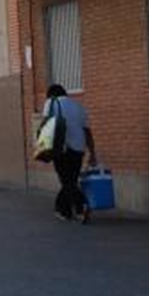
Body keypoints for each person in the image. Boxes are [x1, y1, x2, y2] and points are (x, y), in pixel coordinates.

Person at [44, 84, 96, 223]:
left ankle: (82, 205)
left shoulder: (51, 103)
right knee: (70, 180)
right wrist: (92, 152)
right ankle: (63, 210)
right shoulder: (79, 106)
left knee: (66, 181)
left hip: (61, 148)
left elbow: (45, 124)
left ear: (52, 95)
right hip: (79, 149)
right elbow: (87, 131)